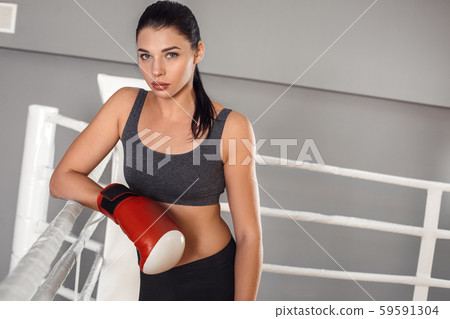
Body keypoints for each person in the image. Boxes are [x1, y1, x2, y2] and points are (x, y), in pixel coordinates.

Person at [50, 0, 262, 301]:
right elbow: (62, 180)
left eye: (171, 55)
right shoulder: (125, 106)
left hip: (214, 274)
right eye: (145, 56)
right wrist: (122, 203)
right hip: (155, 273)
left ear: (197, 52)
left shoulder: (232, 126)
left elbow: (249, 236)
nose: (156, 70)